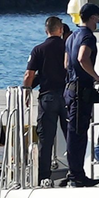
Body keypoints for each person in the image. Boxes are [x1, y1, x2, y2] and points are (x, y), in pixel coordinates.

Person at [64, 3, 99, 187]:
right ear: (92, 17)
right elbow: (82, 57)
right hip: (81, 90)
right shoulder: (88, 37)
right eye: (98, 17)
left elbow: (66, 63)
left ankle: (74, 172)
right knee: (79, 133)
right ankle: (76, 175)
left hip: (70, 88)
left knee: (73, 132)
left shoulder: (71, 37)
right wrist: (95, 76)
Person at [23, 16, 68, 186]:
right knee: (71, 135)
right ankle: (76, 170)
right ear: (61, 29)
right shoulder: (67, 47)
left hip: (47, 97)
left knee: (45, 139)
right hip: (66, 96)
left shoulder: (38, 50)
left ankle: (43, 177)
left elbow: (29, 75)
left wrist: (26, 93)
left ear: (46, 30)